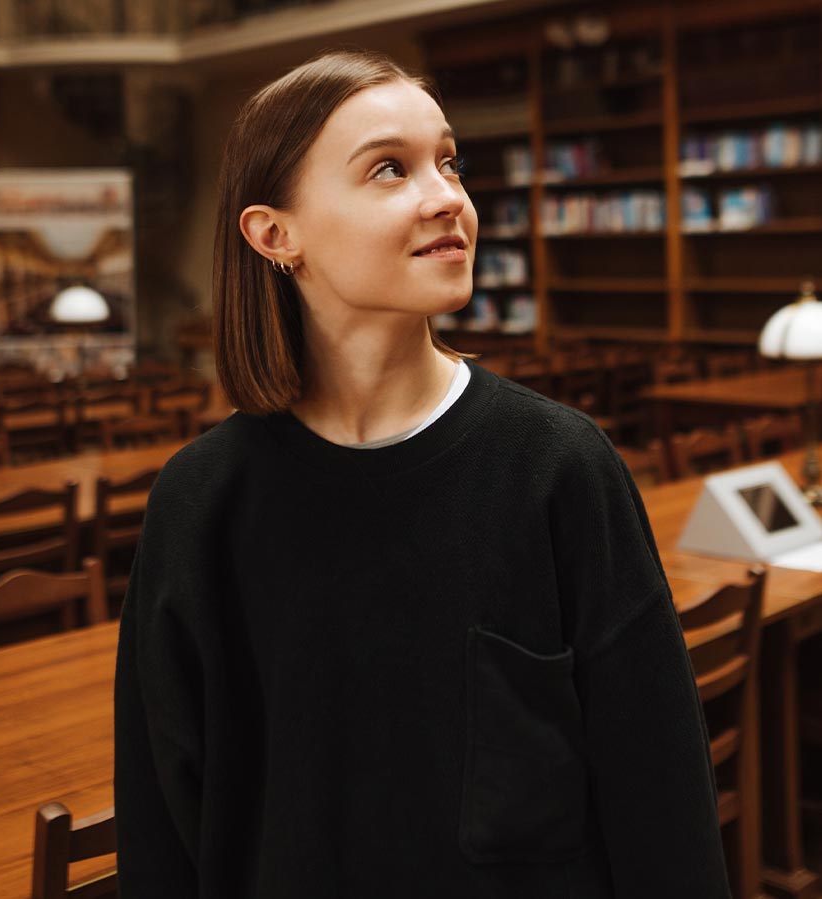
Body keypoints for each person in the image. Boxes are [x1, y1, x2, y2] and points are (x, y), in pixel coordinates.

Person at [114, 49, 731, 898]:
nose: (447, 197)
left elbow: (660, 800)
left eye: (448, 162)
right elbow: (160, 830)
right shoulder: (199, 505)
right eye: (388, 169)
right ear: (274, 233)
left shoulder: (559, 467)